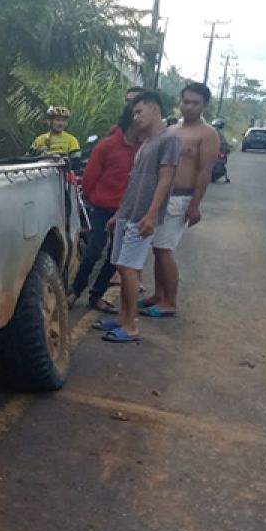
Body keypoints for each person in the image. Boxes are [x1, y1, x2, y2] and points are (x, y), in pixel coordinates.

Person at [94, 91, 180, 343]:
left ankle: (131, 325)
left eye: (140, 111)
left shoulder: (169, 140)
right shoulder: (145, 143)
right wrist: (119, 212)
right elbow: (133, 183)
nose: (136, 117)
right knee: (121, 266)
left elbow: (166, 179)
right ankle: (122, 317)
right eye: (134, 113)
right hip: (128, 214)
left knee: (130, 269)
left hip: (142, 216)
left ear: (155, 109)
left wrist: (151, 215)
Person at [139, 82, 220, 318]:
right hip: (162, 197)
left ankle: (171, 301)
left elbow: (204, 171)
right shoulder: (172, 129)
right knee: (157, 248)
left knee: (164, 249)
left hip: (182, 198)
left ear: (204, 105)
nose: (190, 107)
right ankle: (159, 295)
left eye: (195, 103)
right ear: (180, 101)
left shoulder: (207, 134)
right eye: (186, 102)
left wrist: (195, 205)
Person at [69, 104, 140, 312]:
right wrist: (94, 199)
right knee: (93, 252)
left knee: (115, 257)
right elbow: (90, 176)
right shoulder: (107, 145)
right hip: (101, 208)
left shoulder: (143, 148)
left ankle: (96, 295)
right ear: (131, 120)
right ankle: (75, 290)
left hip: (127, 211)